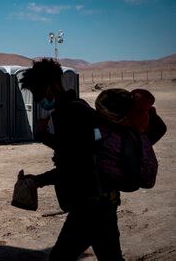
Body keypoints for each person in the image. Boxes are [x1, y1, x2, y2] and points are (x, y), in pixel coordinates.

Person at [20, 58, 124, 260]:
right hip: (105, 198)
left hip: (88, 204)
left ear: (50, 86)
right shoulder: (80, 106)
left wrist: (39, 177)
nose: (38, 99)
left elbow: (74, 163)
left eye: (38, 92)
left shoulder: (67, 113)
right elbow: (78, 150)